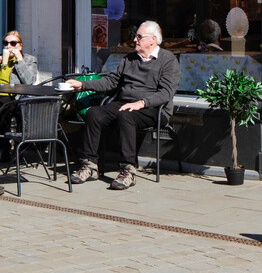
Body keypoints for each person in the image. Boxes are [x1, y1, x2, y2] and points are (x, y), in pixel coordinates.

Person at [60, 20, 177, 190]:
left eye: (139, 36)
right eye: (135, 36)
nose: (135, 39)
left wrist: (141, 103)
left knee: (126, 116)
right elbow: (112, 81)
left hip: (154, 109)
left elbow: (166, 93)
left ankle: (128, 170)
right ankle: (90, 165)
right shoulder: (129, 59)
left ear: (152, 39)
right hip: (125, 103)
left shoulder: (168, 60)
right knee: (94, 113)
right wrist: (82, 85)